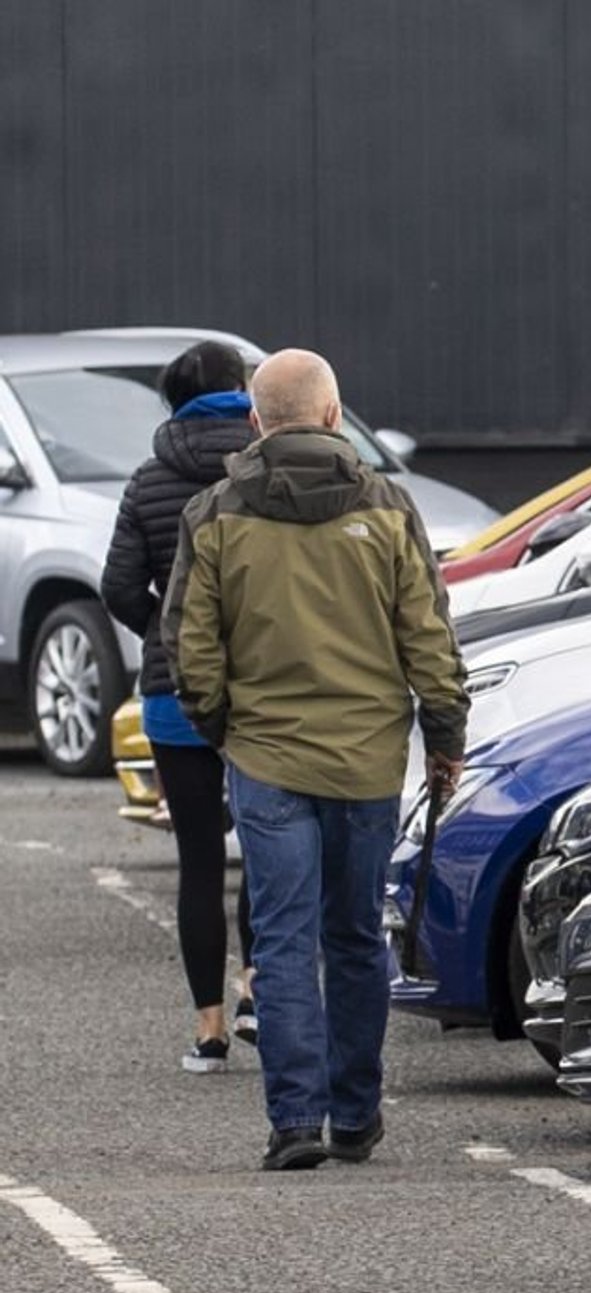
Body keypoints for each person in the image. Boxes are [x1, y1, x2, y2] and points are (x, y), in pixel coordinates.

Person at [163, 349, 468, 1171]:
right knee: (357, 935)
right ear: (335, 416)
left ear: (257, 422)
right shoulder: (388, 507)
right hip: (367, 758)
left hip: (265, 756)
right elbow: (428, 638)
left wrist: (221, 724)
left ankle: (294, 1121)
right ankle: (356, 1114)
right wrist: (444, 736)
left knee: (284, 940)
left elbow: (189, 644)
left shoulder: (216, 513)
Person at [100, 340, 259, 1073]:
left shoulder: (148, 479)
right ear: (242, 390)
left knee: (198, 860)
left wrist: (166, 636)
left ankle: (208, 1031)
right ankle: (259, 989)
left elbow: (119, 587)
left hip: (174, 695)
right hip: (265, 689)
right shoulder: (266, 470)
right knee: (268, 850)